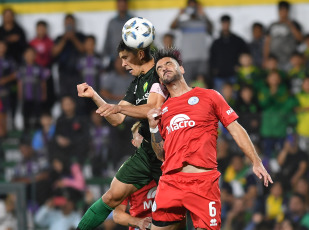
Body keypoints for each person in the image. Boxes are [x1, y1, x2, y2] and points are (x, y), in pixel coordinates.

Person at [146, 49, 272, 230]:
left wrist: (256, 160)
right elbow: (160, 154)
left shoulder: (209, 96)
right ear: (159, 79)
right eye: (159, 68)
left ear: (181, 69)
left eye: (168, 64)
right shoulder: (163, 111)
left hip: (203, 183)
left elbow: (236, 129)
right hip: (171, 183)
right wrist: (152, 127)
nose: (164, 68)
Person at [76, 40, 167, 230]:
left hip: (168, 154)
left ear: (140, 54)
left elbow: (153, 109)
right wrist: (94, 95)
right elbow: (117, 119)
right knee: (111, 196)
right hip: (146, 153)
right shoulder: (136, 83)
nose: (123, 64)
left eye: (126, 58)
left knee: (173, 215)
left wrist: (119, 107)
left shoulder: (159, 73)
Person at [113, 121, 156, 230]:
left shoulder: (168, 164)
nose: (145, 139)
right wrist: (139, 222)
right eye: (141, 136)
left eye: (148, 134)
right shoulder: (128, 173)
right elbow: (117, 215)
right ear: (134, 142)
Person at [170, 0, 213, 85]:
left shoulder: (203, 21)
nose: (192, 9)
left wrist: (204, 14)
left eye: (194, 7)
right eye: (190, 7)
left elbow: (211, 29)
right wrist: (179, 14)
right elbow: (172, 27)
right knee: (187, 85)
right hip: (187, 59)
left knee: (202, 85)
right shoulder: (184, 23)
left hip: (202, 58)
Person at [209, 14, 249, 91]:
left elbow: (246, 54)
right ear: (221, 24)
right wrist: (214, 70)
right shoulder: (216, 42)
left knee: (234, 98)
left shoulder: (238, 40)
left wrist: (239, 65)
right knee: (219, 100)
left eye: (227, 23)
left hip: (233, 75)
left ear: (230, 24)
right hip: (219, 76)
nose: (225, 25)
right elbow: (211, 58)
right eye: (224, 23)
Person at [52, 13, 85, 98]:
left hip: (78, 73)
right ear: (64, 24)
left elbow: (83, 50)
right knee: (64, 97)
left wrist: (73, 38)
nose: (69, 25)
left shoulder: (80, 36)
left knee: (78, 97)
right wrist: (64, 39)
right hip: (63, 73)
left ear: (74, 24)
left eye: (71, 23)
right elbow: (54, 53)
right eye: (67, 23)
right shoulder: (59, 38)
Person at [263, 1, 303, 71]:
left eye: (285, 11)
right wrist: (266, 59)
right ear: (278, 11)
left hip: (291, 60)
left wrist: (290, 25)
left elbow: (300, 39)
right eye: (281, 11)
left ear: (288, 11)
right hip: (275, 60)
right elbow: (267, 43)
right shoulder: (272, 25)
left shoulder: (294, 24)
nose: (283, 13)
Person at [29, 20, 55, 110]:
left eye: (43, 28)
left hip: (47, 70)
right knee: (34, 93)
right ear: (36, 29)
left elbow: (53, 55)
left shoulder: (50, 42)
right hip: (34, 71)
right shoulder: (32, 42)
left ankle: (47, 112)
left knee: (48, 93)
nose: (41, 30)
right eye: (39, 28)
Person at [102, 0, 134, 67]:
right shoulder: (112, 22)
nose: (121, 6)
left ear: (127, 5)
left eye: (123, 4)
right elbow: (107, 40)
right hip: (113, 59)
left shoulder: (133, 21)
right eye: (120, 4)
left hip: (130, 59)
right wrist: (105, 57)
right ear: (117, 5)